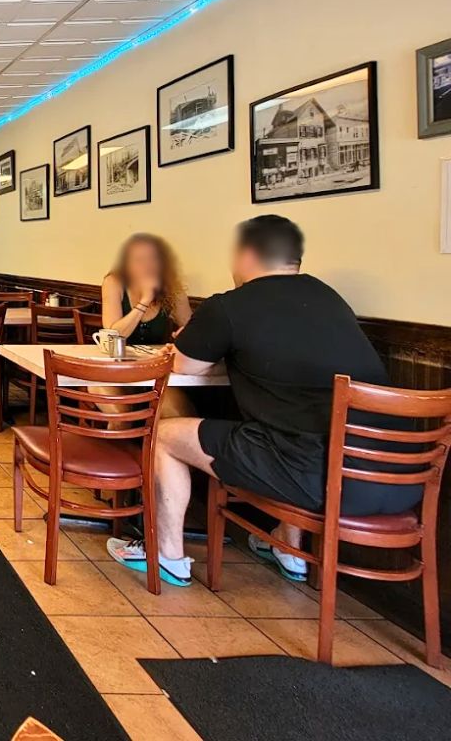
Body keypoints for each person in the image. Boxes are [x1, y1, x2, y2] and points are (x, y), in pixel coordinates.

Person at [108, 215, 415, 589]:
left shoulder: (231, 306)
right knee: (298, 428)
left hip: (318, 480)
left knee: (164, 434)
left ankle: (166, 554)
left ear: (247, 255)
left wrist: (200, 342)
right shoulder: (330, 298)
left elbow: (183, 365)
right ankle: (289, 547)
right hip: (401, 481)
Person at [101, 233, 192, 345]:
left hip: (157, 355)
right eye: (139, 260)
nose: (147, 265)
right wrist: (145, 301)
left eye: (153, 258)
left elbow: (192, 328)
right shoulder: (114, 282)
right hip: (119, 354)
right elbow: (113, 336)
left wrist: (185, 334)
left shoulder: (171, 288)